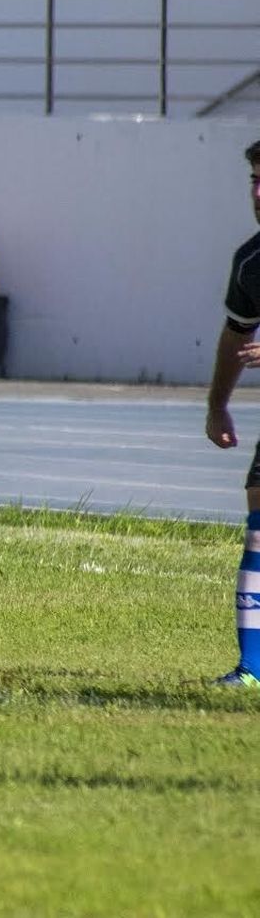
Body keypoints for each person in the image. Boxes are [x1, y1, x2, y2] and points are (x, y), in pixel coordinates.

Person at [202, 138, 260, 688]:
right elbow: (236, 334)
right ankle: (251, 669)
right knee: (259, 529)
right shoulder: (252, 259)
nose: (259, 193)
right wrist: (218, 403)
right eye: (255, 181)